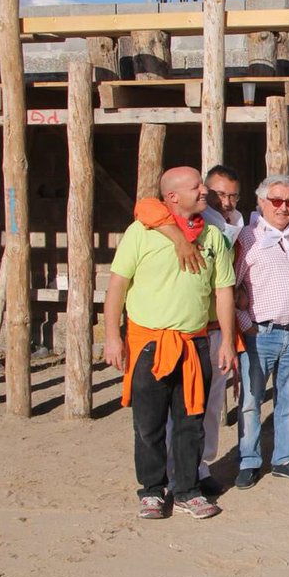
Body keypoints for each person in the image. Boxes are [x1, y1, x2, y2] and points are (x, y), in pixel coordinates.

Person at [104, 166, 236, 520]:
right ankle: (152, 490)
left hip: (194, 344)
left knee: (191, 422)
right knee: (148, 424)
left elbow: (223, 291)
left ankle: (187, 490)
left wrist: (227, 341)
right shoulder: (141, 232)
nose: (204, 191)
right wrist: (112, 337)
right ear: (173, 196)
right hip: (150, 344)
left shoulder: (212, 236)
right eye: (196, 187)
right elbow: (117, 286)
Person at [132, 163, 246, 497]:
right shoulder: (186, 219)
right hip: (186, 330)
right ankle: (167, 474)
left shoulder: (237, 224)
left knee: (207, 408)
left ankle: (199, 467)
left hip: (216, 328)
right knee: (170, 411)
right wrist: (179, 238)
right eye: (219, 193)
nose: (226, 201)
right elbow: (145, 206)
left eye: (233, 195)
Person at [232, 175, 289, 489]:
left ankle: (285, 459)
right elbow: (230, 287)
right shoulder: (248, 238)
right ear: (261, 202)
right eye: (277, 201)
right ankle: (249, 461)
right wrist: (247, 325)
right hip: (261, 334)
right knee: (250, 402)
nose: (283, 207)